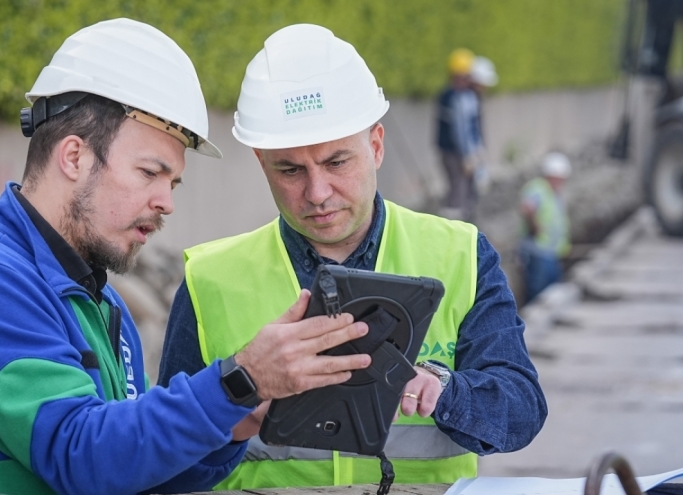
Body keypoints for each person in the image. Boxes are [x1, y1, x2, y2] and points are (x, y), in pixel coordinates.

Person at [0, 19, 374, 495]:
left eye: (172, 182)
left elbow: (135, 468)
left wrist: (237, 420)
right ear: (74, 157)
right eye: (149, 173)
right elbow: (82, 456)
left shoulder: (103, 305)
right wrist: (239, 381)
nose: (166, 202)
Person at [159, 24, 547, 489]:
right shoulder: (210, 279)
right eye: (290, 170)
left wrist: (445, 390)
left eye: (336, 162)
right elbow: (167, 460)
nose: (317, 193)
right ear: (262, 163)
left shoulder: (460, 253)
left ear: (376, 146)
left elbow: (521, 410)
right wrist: (233, 408)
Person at [436, 48, 485, 221]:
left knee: (462, 189)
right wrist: (467, 155)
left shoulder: (453, 95)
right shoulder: (456, 98)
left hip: (454, 151)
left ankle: (461, 219)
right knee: (458, 190)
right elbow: (460, 129)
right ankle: (454, 222)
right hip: (454, 153)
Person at [518, 152, 572, 303]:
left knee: (552, 292)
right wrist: (535, 227)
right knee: (538, 293)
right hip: (538, 252)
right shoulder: (538, 188)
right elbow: (527, 208)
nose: (561, 182)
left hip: (551, 253)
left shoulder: (554, 194)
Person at [468, 56, 499, 195]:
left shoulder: (475, 98)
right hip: (468, 152)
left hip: (473, 150)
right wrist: (469, 154)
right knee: (463, 190)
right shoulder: (468, 99)